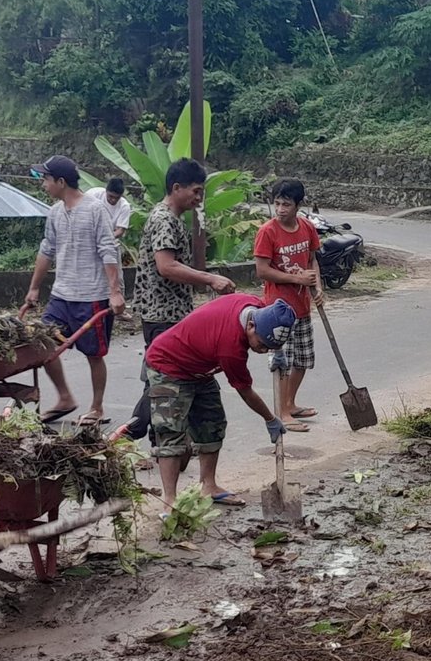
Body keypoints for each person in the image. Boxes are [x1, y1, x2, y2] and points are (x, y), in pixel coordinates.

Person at [112, 158, 235, 443]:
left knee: (161, 375)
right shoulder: (165, 219)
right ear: (176, 187)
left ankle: (159, 438)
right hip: (162, 313)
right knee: (164, 379)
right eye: (195, 191)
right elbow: (166, 266)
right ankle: (127, 434)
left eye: (201, 191)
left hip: (170, 312)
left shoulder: (171, 218)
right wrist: (209, 279)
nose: (199, 197)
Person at [143, 295, 295, 509]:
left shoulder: (261, 310)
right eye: (262, 344)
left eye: (270, 347)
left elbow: (274, 328)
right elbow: (245, 392)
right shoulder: (231, 347)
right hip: (168, 364)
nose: (263, 350)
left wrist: (277, 350)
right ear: (251, 325)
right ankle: (170, 500)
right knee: (171, 432)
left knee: (212, 424)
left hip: (201, 368)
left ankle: (209, 485)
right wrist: (269, 418)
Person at [19, 155, 126, 426]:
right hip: (61, 295)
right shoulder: (55, 212)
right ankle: (65, 397)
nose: (43, 184)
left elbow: (107, 250)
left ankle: (97, 407)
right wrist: (34, 289)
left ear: (61, 181)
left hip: (92, 296)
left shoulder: (94, 210)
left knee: (93, 354)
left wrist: (114, 292)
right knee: (42, 345)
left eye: (46, 179)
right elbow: (46, 251)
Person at [253, 179, 322, 431]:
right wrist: (297, 278)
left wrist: (318, 286)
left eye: (286, 204)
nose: (281, 209)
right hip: (277, 311)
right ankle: (281, 412)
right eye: (277, 203)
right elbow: (262, 271)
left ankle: (290, 403)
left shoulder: (307, 228)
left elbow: (313, 260)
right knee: (282, 362)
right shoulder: (267, 232)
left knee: (302, 359)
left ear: (298, 205)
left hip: (302, 306)